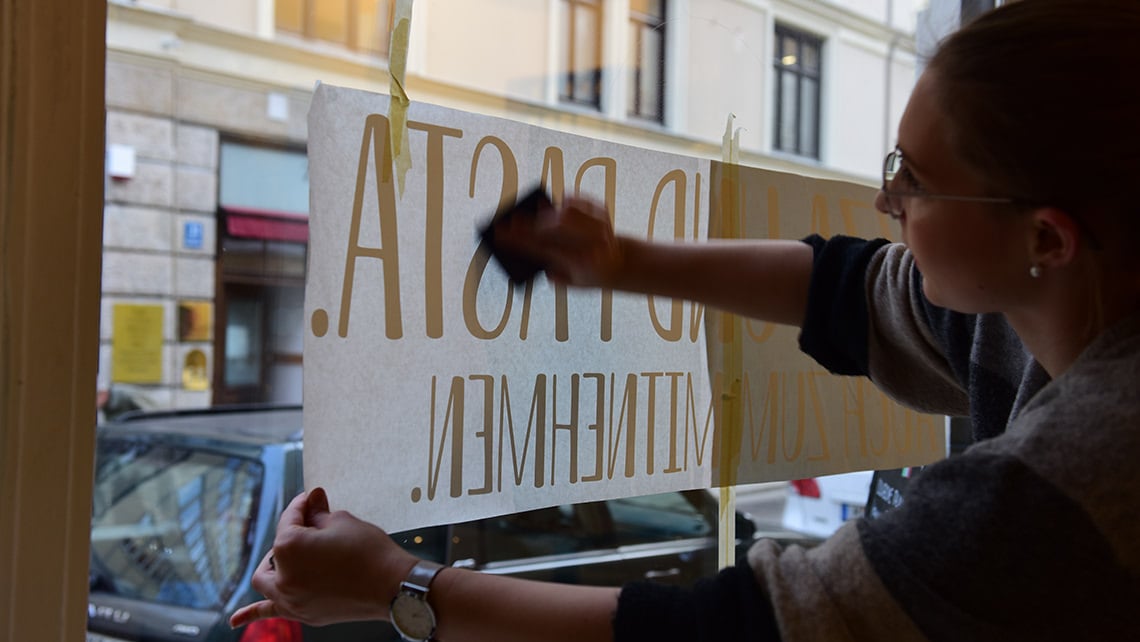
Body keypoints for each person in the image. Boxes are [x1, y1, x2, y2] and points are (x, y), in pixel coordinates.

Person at [230, 1, 1140, 640]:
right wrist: (627, 262)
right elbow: (852, 290)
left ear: (1046, 237)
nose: (883, 197)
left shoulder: (1071, 475)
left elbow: (740, 631)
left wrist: (398, 585)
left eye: (913, 176)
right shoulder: (1028, 314)